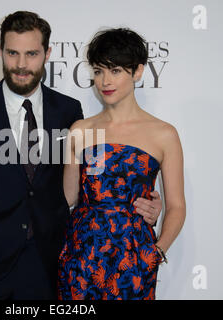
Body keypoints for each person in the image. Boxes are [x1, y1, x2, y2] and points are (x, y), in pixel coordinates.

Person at [0, 12, 162, 300]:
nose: (20, 64)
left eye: (31, 53)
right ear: (0, 51)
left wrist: (148, 201)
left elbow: (89, 187)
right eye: (12, 53)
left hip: (52, 270)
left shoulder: (68, 112)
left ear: (47, 53)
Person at [57, 28, 186, 300]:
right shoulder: (80, 130)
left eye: (115, 70)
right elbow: (68, 197)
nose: (105, 81)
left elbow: (176, 206)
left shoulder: (164, 134)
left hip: (134, 260)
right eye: (99, 71)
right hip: (81, 257)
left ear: (137, 72)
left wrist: (156, 252)